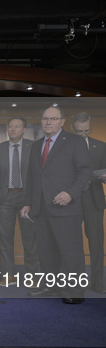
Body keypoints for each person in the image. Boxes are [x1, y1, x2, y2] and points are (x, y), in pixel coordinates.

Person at [20, 105, 91, 304]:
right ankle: (50, 287)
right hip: (41, 209)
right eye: (45, 118)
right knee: (47, 252)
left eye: (53, 118)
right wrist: (28, 202)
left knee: (71, 252)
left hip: (65, 208)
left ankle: (75, 292)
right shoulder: (36, 145)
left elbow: (85, 172)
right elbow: (33, 177)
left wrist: (70, 193)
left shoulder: (75, 142)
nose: (48, 122)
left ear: (62, 121)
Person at [0, 117, 39, 286]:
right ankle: (7, 275)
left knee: (30, 239)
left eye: (17, 126)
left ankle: (32, 276)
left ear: (24, 129)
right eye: (10, 126)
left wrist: (33, 199)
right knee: (5, 239)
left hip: (27, 199)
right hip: (4, 199)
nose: (13, 129)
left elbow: (37, 175)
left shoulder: (33, 147)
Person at [71, 112, 106, 293]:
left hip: (94, 201)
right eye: (79, 132)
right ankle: (74, 283)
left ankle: (98, 282)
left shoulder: (101, 146)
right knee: (72, 245)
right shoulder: (65, 148)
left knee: (96, 245)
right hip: (72, 202)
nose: (83, 134)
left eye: (86, 131)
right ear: (72, 129)